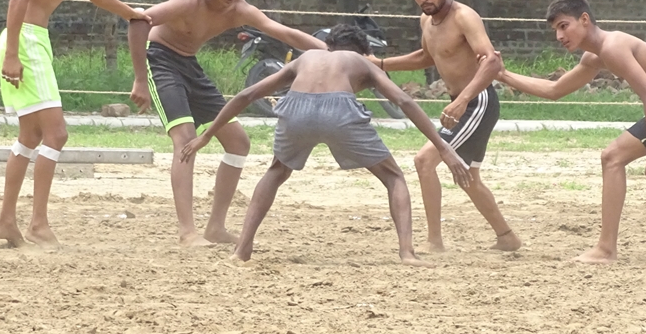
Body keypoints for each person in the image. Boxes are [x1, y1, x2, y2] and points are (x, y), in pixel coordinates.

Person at [179, 24, 472, 265]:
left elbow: (247, 95)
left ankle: (242, 250)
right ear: (363, 52)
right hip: (340, 111)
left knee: (276, 171)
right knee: (393, 176)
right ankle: (407, 253)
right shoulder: (360, 61)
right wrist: (443, 148)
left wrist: (207, 135)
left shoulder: (306, 58)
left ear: (329, 46)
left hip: (296, 108)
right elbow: (404, 101)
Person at [127, 0, 326, 247]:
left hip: (189, 65)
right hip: (161, 60)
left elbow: (283, 32)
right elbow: (138, 20)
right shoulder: (189, 0)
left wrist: (332, 51)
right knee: (185, 138)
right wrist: (140, 79)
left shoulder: (239, 10)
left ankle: (215, 227)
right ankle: (187, 232)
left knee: (238, 141)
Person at [0, 0, 150, 249]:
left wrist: (132, 14)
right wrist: (13, 53)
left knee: (30, 136)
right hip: (25, 41)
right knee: (57, 134)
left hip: (34, 40)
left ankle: (6, 221)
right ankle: (38, 224)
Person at [495, 0, 646, 264]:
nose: (559, 36)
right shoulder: (594, 57)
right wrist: (502, 74)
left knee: (612, 157)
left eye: (564, 26)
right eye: (556, 30)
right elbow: (554, 90)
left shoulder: (612, 47)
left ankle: (606, 249)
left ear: (584, 19)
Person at [371, 0, 520, 252]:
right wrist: (381, 64)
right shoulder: (426, 20)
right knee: (469, 177)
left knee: (424, 161)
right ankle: (507, 238)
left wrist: (462, 101)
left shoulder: (465, 17)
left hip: (477, 102)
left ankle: (434, 242)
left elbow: (491, 62)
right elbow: (427, 56)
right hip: (461, 104)